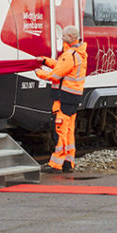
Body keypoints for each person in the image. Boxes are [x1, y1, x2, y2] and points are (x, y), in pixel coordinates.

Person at [35, 25, 87, 173]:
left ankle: (56, 164)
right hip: (73, 98)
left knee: (60, 130)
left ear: (70, 37)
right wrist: (45, 61)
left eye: (63, 36)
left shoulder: (69, 55)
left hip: (63, 98)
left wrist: (39, 72)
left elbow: (55, 75)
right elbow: (61, 66)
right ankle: (68, 162)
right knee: (69, 131)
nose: (61, 38)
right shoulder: (79, 53)